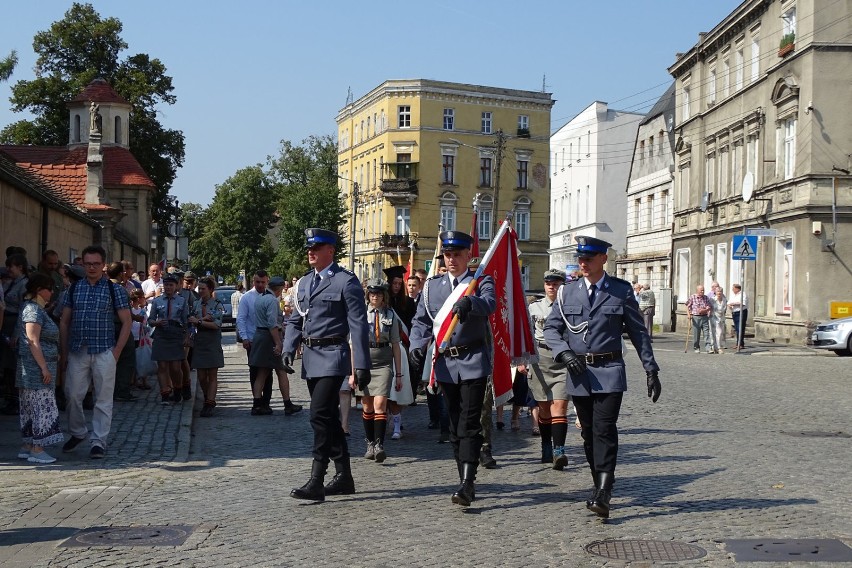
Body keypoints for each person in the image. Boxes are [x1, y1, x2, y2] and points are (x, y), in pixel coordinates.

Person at [544, 235, 661, 519]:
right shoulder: (567, 293)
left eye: (589, 258)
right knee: (588, 433)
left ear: (603, 259)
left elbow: (637, 332)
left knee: (604, 429)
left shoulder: (620, 292)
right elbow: (551, 329)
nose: (582, 263)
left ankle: (605, 489)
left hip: (609, 371)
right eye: (580, 258)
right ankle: (599, 483)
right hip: (579, 372)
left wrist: (651, 368)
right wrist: (564, 353)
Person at [409, 231, 496, 507]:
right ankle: (463, 476)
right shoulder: (433, 287)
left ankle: (468, 483)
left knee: (470, 422)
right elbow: (421, 322)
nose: (452, 260)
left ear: (468, 256)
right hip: (445, 364)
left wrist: (472, 302)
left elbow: (491, 305)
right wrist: (416, 345)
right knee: (455, 423)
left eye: (457, 255)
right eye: (448, 255)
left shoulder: (480, 281)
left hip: (472, 361)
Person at [283, 228, 371, 501]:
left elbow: (358, 325)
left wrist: (362, 365)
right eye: (309, 247)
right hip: (310, 357)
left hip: (334, 355)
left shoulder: (346, 281)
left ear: (330, 251)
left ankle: (317, 479)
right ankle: (344, 476)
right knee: (330, 418)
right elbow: (296, 319)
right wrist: (288, 347)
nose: (311, 251)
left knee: (318, 415)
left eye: (317, 247)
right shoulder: (305, 283)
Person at [59, 245, 132, 459]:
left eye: (96, 264)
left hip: (104, 350)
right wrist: (64, 352)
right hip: (77, 350)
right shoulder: (74, 289)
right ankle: (78, 432)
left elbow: (126, 321)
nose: (91, 267)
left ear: (103, 265)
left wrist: (116, 352)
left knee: (103, 398)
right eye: (88, 263)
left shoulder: (114, 289)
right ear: (82, 264)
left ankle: (99, 440)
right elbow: (64, 321)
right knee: (72, 394)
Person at [518, 268, 573, 469]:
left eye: (556, 283)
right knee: (543, 408)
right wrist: (522, 360)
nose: (552, 286)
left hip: (562, 359)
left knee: (560, 405)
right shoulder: (534, 308)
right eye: (549, 283)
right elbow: (525, 335)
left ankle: (559, 450)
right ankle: (546, 445)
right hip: (539, 359)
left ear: (562, 286)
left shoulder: (570, 306)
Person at [16, 274, 64, 464]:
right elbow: (32, 340)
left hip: (34, 369)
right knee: (41, 408)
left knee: (30, 408)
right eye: (49, 288)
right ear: (39, 290)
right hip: (35, 371)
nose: (51, 292)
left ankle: (28, 446)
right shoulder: (33, 310)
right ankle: (37, 448)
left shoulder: (36, 309)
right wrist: (44, 367)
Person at [357, 280, 406, 462]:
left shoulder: (390, 315)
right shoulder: (361, 314)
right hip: (365, 362)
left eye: (378, 294)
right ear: (368, 295)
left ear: (383, 296)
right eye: (371, 294)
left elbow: (395, 345)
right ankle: (369, 442)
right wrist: (352, 372)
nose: (374, 297)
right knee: (367, 405)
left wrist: (399, 373)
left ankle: (379, 445)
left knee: (380, 404)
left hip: (384, 363)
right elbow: (353, 344)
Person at [249, 276, 301, 416]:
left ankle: (256, 404)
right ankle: (287, 404)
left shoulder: (260, 298)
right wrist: (278, 343)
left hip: (260, 335)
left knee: (262, 372)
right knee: (281, 371)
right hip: (269, 338)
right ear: (278, 289)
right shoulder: (272, 301)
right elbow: (272, 324)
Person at [237, 271, 275, 411]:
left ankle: (266, 402)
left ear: (267, 281)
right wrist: (244, 337)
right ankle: (256, 402)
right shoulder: (247, 298)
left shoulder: (270, 296)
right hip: (252, 340)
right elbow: (241, 318)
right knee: (254, 371)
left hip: (268, 339)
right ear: (253, 281)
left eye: (262, 282)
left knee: (268, 372)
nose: (260, 284)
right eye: (257, 282)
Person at [148, 274, 189, 404]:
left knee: (176, 367)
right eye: (166, 285)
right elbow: (150, 320)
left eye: (171, 285)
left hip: (176, 334)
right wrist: (156, 323)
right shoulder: (157, 301)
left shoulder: (182, 301)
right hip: (161, 334)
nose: (168, 287)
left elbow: (186, 321)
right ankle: (165, 393)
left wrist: (187, 336)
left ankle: (177, 390)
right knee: (162, 366)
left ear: (176, 286)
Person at [189, 277, 225, 417]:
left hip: (212, 341)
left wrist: (199, 321)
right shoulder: (197, 304)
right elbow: (191, 320)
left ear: (210, 289)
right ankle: (206, 396)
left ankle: (210, 402)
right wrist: (200, 321)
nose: (201, 291)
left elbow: (216, 324)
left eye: (203, 288)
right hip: (200, 341)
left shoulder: (217, 305)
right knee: (202, 376)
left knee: (212, 374)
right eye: (199, 288)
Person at [2, 253, 29, 415]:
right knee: (6, 364)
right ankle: (8, 397)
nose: (8, 269)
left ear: (20, 267)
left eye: (11, 266)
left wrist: (17, 333)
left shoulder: (24, 285)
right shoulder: (9, 283)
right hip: (5, 324)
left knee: (12, 364)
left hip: (14, 324)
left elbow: (23, 311)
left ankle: (14, 399)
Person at [107, 262, 138, 402]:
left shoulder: (102, 287)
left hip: (106, 328)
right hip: (120, 326)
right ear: (121, 273)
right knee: (126, 358)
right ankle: (122, 390)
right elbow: (127, 313)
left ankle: (110, 390)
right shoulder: (120, 289)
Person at [686, 285, 714, 354]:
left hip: (705, 317)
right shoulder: (693, 297)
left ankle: (708, 348)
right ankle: (696, 347)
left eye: (703, 290)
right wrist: (689, 314)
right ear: (697, 290)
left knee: (706, 333)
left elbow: (709, 306)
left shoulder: (706, 297)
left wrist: (704, 310)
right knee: (696, 334)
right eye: (701, 290)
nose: (702, 291)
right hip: (696, 317)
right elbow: (687, 305)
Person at [729, 283, 748, 350]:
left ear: (737, 289)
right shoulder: (733, 295)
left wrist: (734, 304)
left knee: (740, 328)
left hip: (741, 312)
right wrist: (730, 305)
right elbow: (729, 302)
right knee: (737, 329)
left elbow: (743, 303)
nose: (732, 290)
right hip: (734, 312)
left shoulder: (743, 294)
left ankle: (741, 344)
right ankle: (738, 343)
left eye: (733, 288)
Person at [710, 286, 727, 353]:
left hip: (721, 318)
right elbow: (710, 307)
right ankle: (715, 347)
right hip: (714, 317)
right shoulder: (712, 299)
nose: (719, 293)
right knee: (713, 333)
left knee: (720, 333)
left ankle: (718, 347)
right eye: (718, 291)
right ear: (715, 292)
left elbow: (724, 308)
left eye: (720, 291)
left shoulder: (724, 299)